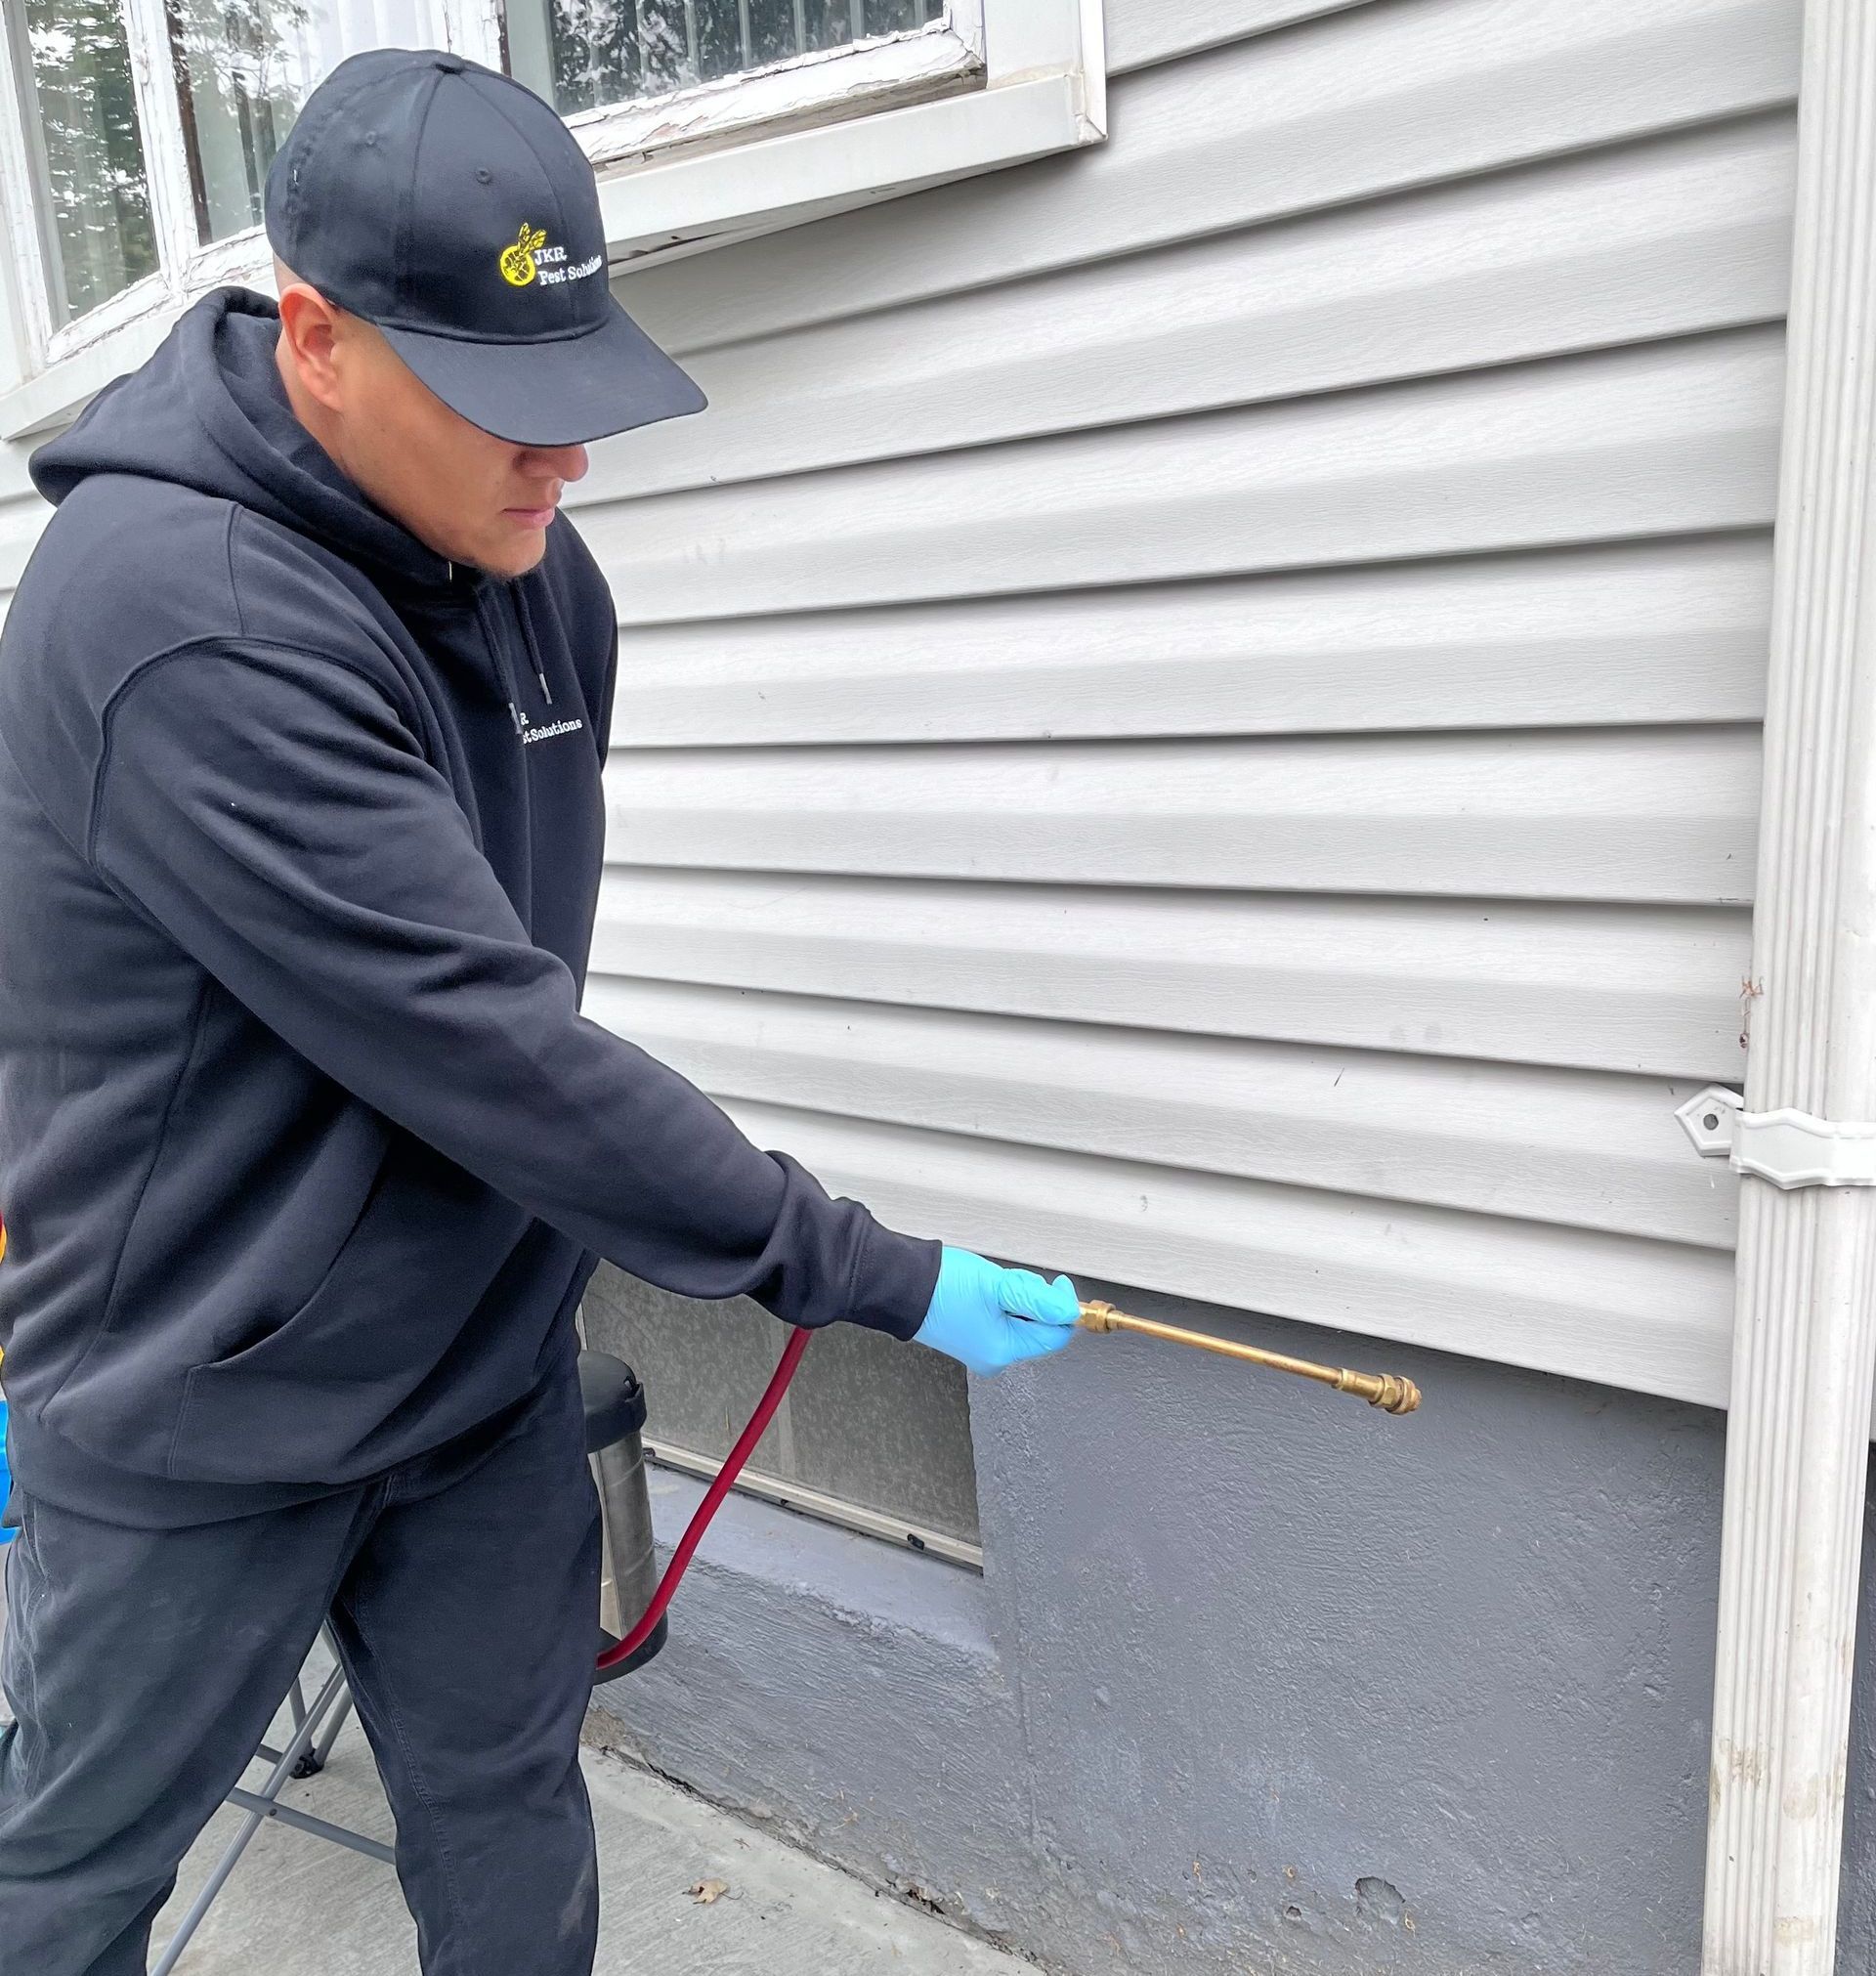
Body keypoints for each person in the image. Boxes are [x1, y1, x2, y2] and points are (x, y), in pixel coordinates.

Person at [0, 49, 1079, 1976]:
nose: (561, 460)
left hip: (474, 1373)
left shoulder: (531, 576)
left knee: (509, 1809)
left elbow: (499, 992)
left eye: (575, 398)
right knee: (75, 1870)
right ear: (313, 339)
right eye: (501, 407)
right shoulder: (177, 617)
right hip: (199, 1390)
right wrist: (857, 1268)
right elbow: (487, 1034)